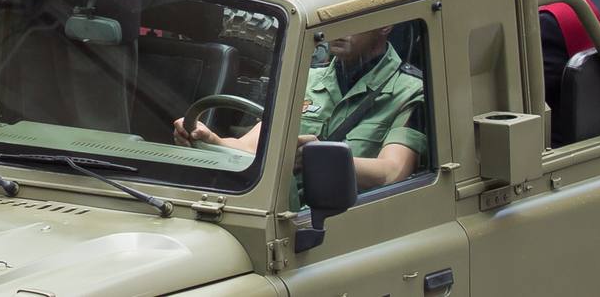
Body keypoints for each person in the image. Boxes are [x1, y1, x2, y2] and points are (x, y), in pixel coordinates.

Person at [172, 24, 424, 199]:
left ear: (385, 26)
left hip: (355, 223)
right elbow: (250, 148)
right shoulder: (305, 79)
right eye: (335, 16)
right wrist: (210, 140)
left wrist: (320, 158)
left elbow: (392, 172)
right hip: (288, 216)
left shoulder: (411, 90)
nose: (338, 28)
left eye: (354, 19)